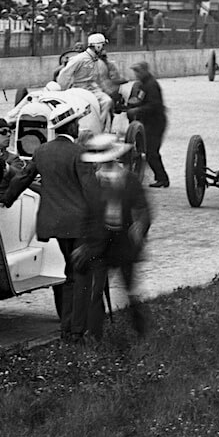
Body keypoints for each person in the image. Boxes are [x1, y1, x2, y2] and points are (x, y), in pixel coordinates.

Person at [0, 103, 103, 344]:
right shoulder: (79, 153)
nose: (79, 127)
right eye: (77, 123)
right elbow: (92, 191)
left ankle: (68, 328)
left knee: (70, 274)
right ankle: (76, 331)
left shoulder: (42, 151)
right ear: (71, 126)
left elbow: (23, 178)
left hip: (54, 224)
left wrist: (6, 199)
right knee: (81, 276)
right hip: (81, 224)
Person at [74, 133, 151, 340]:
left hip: (124, 243)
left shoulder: (129, 179)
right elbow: (88, 216)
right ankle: (95, 337)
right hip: (99, 244)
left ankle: (140, 332)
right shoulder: (93, 183)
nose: (101, 165)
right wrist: (83, 244)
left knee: (130, 290)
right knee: (96, 291)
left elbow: (144, 209)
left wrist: (140, 228)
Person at [57, 33, 114, 129]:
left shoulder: (96, 60)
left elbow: (99, 78)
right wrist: (62, 91)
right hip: (80, 89)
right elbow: (65, 74)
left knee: (107, 101)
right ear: (98, 46)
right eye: (102, 46)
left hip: (93, 89)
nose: (104, 49)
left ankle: (100, 128)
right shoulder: (79, 59)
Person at [127, 61, 170, 188]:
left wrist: (138, 110)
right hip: (147, 121)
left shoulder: (151, 85)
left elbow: (154, 105)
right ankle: (159, 177)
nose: (136, 74)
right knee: (147, 151)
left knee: (152, 152)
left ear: (145, 71)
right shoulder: (142, 85)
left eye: (138, 71)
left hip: (156, 122)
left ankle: (163, 179)